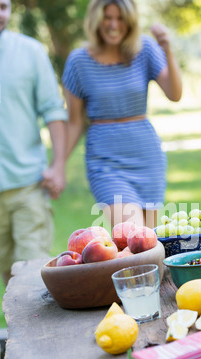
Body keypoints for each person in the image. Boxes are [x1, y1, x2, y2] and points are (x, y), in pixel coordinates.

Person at [62, 0, 182, 230]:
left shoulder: (144, 49)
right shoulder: (78, 62)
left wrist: (167, 49)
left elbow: (174, 94)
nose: (114, 25)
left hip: (147, 158)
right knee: (132, 236)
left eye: (120, 18)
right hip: (106, 163)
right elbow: (75, 123)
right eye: (107, 17)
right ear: (96, 19)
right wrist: (58, 166)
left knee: (149, 241)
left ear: (130, 21)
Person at [0, 0, 68, 285]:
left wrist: (59, 166)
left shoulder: (30, 52)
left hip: (27, 184)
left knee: (30, 274)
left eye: (2, 6)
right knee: (8, 276)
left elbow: (53, 109)